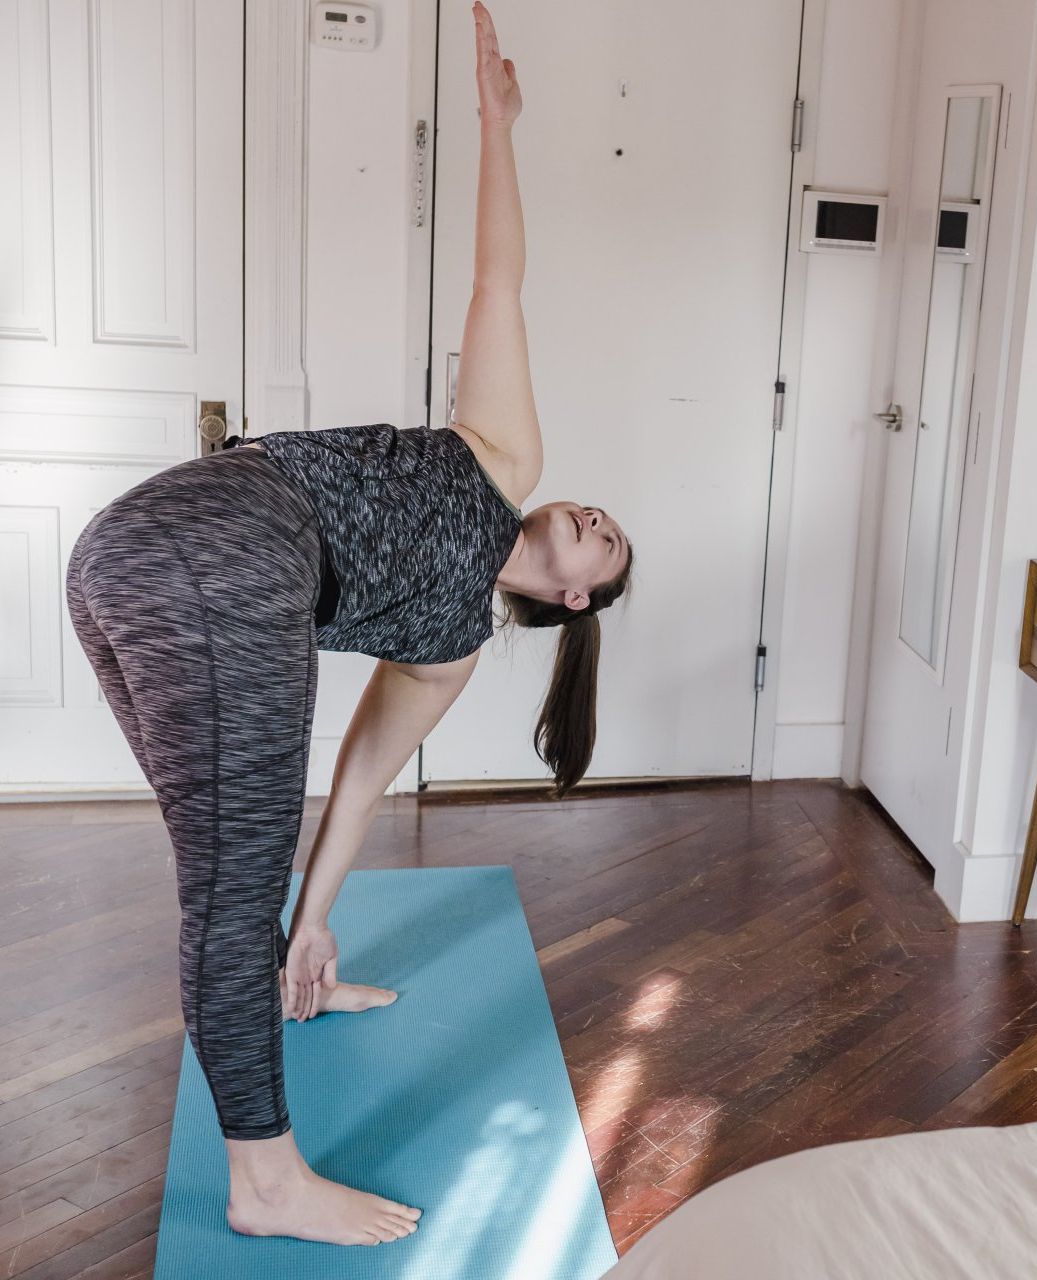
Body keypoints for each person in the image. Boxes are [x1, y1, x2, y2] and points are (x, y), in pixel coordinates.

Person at [61, 2, 627, 1246]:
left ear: (574, 596)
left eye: (605, 543)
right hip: (189, 534)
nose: (593, 517)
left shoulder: (449, 651)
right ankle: (266, 1180)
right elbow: (499, 279)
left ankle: (274, 992)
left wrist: (315, 921)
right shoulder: (503, 453)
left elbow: (361, 782)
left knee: (233, 878)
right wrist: (495, 126)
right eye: (597, 513)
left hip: (153, 567)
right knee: (225, 883)